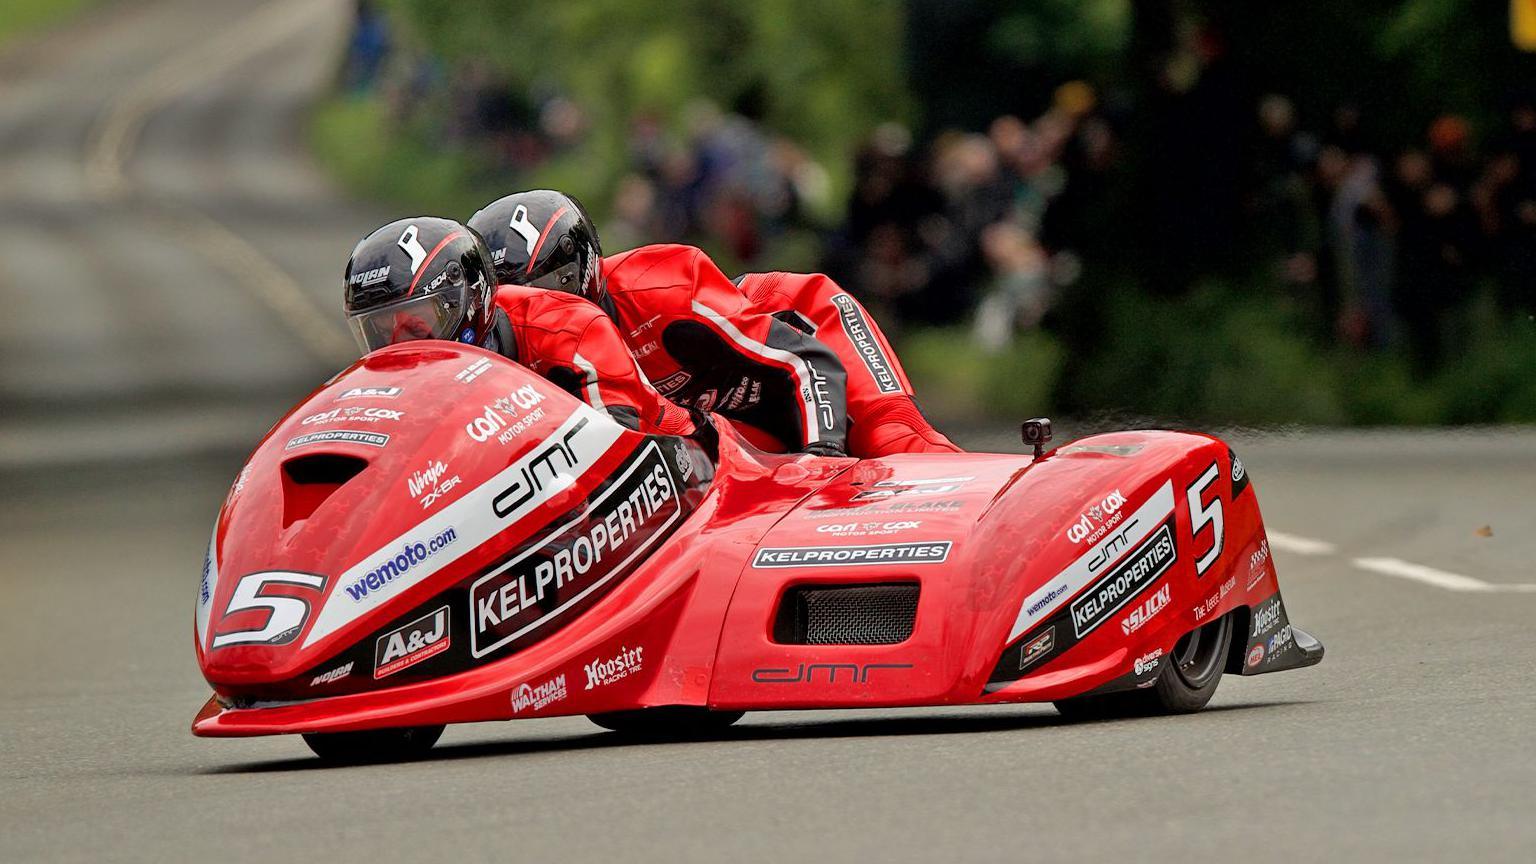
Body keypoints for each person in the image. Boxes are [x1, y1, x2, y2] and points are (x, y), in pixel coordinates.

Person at [467, 190, 960, 457]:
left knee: (895, 445)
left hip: (802, 335)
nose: (541, 307)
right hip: (728, 417)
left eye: (554, 287)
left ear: (590, 270)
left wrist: (823, 460)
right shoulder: (505, 353)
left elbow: (806, 363)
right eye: (517, 297)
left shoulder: (662, 286)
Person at [342, 216, 706, 441]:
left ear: (467, 299)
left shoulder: (568, 326)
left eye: (415, 324)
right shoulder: (400, 394)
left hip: (678, 475)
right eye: (377, 333)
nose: (398, 347)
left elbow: (621, 447)